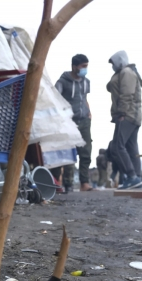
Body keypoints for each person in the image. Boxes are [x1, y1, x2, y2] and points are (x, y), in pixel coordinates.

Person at [54, 54, 93, 192]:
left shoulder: (86, 82)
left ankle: (84, 183)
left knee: (86, 152)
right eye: (83, 66)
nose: (85, 69)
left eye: (86, 66)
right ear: (74, 66)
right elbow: (55, 99)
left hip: (84, 121)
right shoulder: (62, 82)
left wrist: (89, 112)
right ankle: (63, 183)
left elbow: (84, 97)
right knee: (67, 153)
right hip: (68, 121)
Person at [107, 50, 142, 189]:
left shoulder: (126, 73)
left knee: (117, 146)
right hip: (134, 116)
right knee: (131, 147)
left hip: (127, 115)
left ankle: (132, 176)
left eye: (114, 63)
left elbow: (126, 94)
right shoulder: (125, 72)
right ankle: (137, 179)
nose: (113, 66)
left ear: (120, 60)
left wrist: (121, 113)